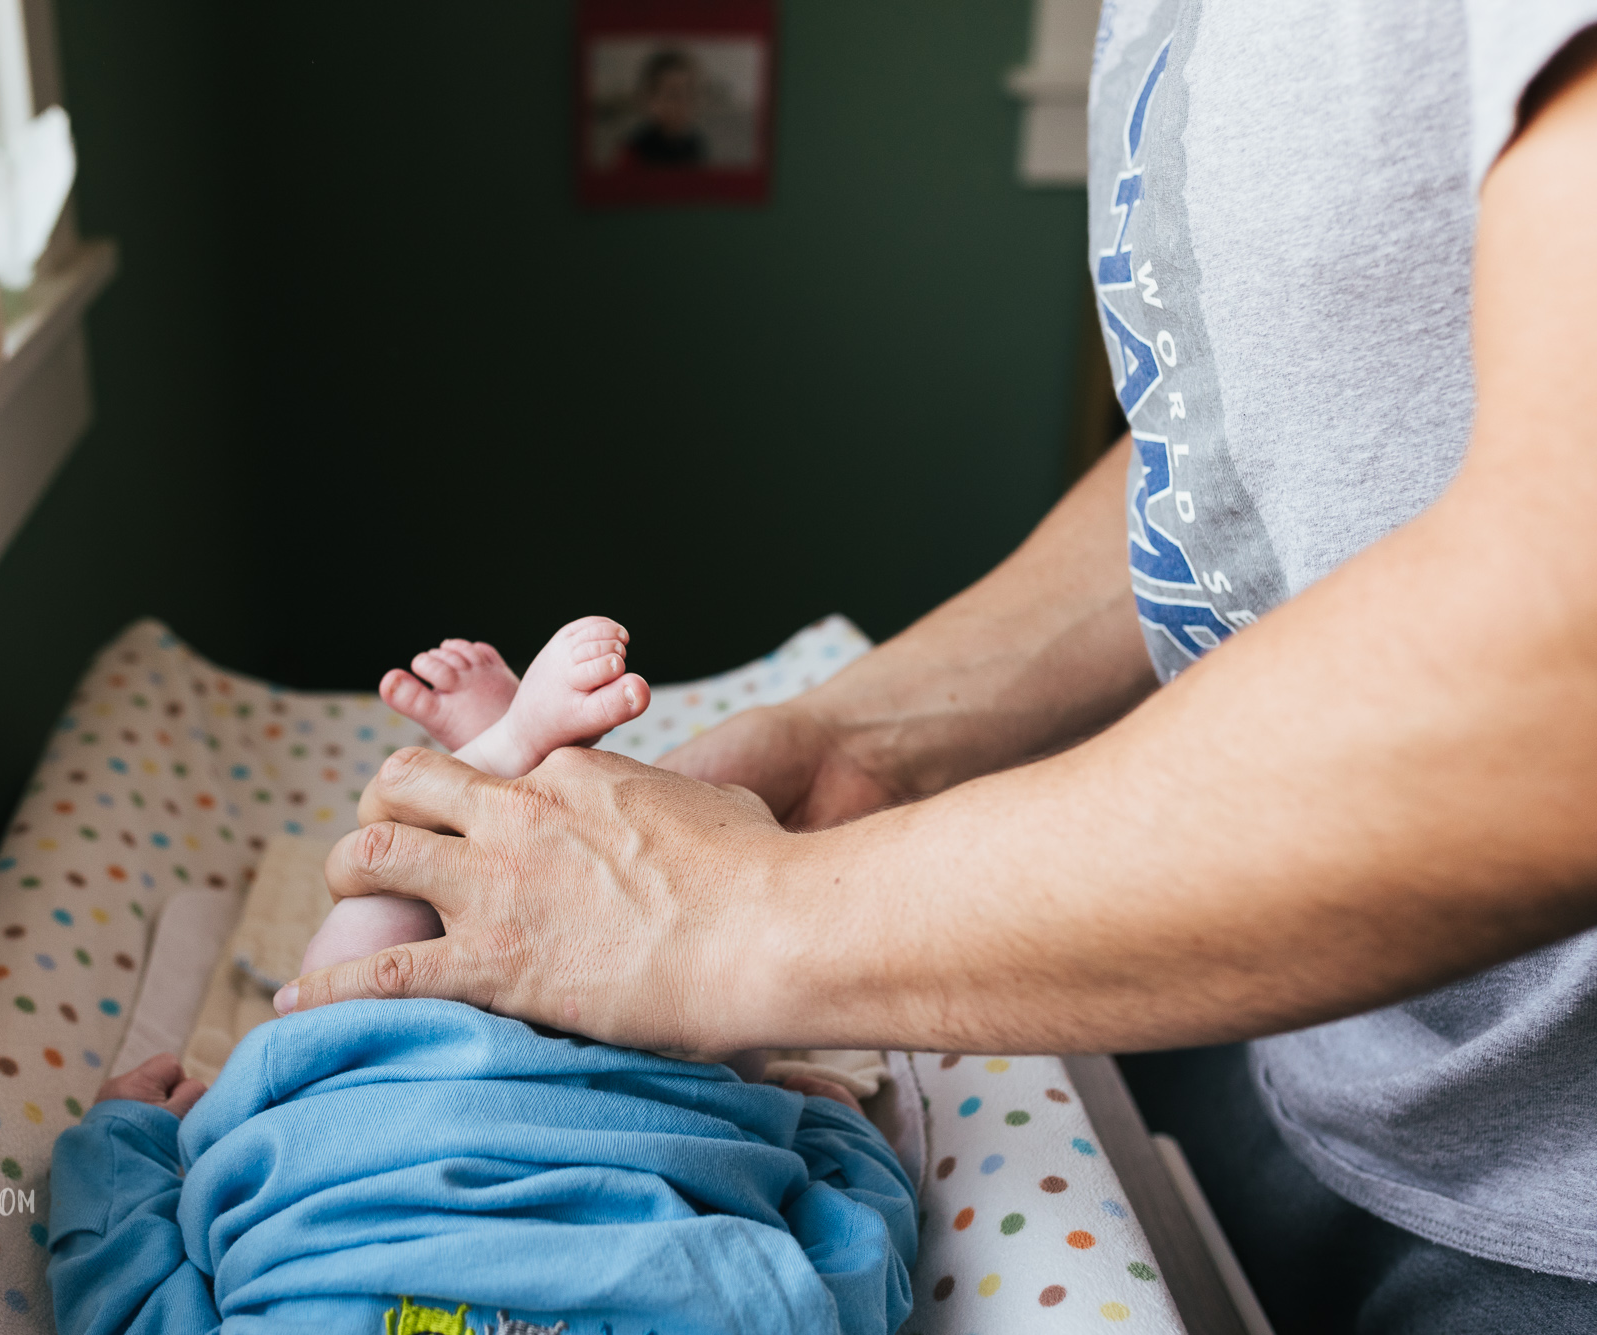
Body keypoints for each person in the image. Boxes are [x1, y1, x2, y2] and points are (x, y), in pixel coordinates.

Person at [277, 5, 1597, 1329]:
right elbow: (1262, 443)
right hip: (1307, 1032)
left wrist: (748, 920)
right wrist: (868, 739)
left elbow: (1564, 666)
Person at [45, 618, 916, 1334]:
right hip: (645, 1093)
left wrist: (123, 1142)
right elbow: (859, 1275)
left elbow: (857, 1264)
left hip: (395, 1077)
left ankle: (501, 768)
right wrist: (839, 1136)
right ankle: (530, 791)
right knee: (704, 974)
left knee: (361, 964)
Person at [622, 49, 707, 167]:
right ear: (652, 100)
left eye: (689, 93)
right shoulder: (635, 150)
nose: (682, 103)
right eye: (673, 95)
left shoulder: (695, 146)